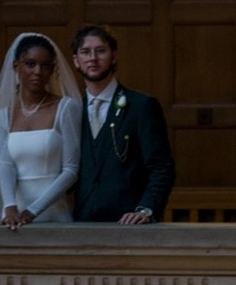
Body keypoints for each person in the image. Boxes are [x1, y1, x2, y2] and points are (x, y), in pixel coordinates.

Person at [70, 23, 174, 223]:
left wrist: (146, 210)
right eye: (85, 52)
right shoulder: (72, 111)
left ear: (114, 56)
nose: (93, 58)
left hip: (130, 224)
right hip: (82, 222)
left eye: (100, 51)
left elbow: (161, 166)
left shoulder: (141, 106)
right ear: (76, 60)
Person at [0, 32, 82, 227]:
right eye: (30, 64)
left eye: (45, 65)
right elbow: (5, 164)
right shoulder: (2, 116)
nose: (38, 71)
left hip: (53, 211)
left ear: (52, 70)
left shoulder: (66, 108)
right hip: (13, 216)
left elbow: (71, 170)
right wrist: (10, 207)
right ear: (17, 66)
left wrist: (32, 211)